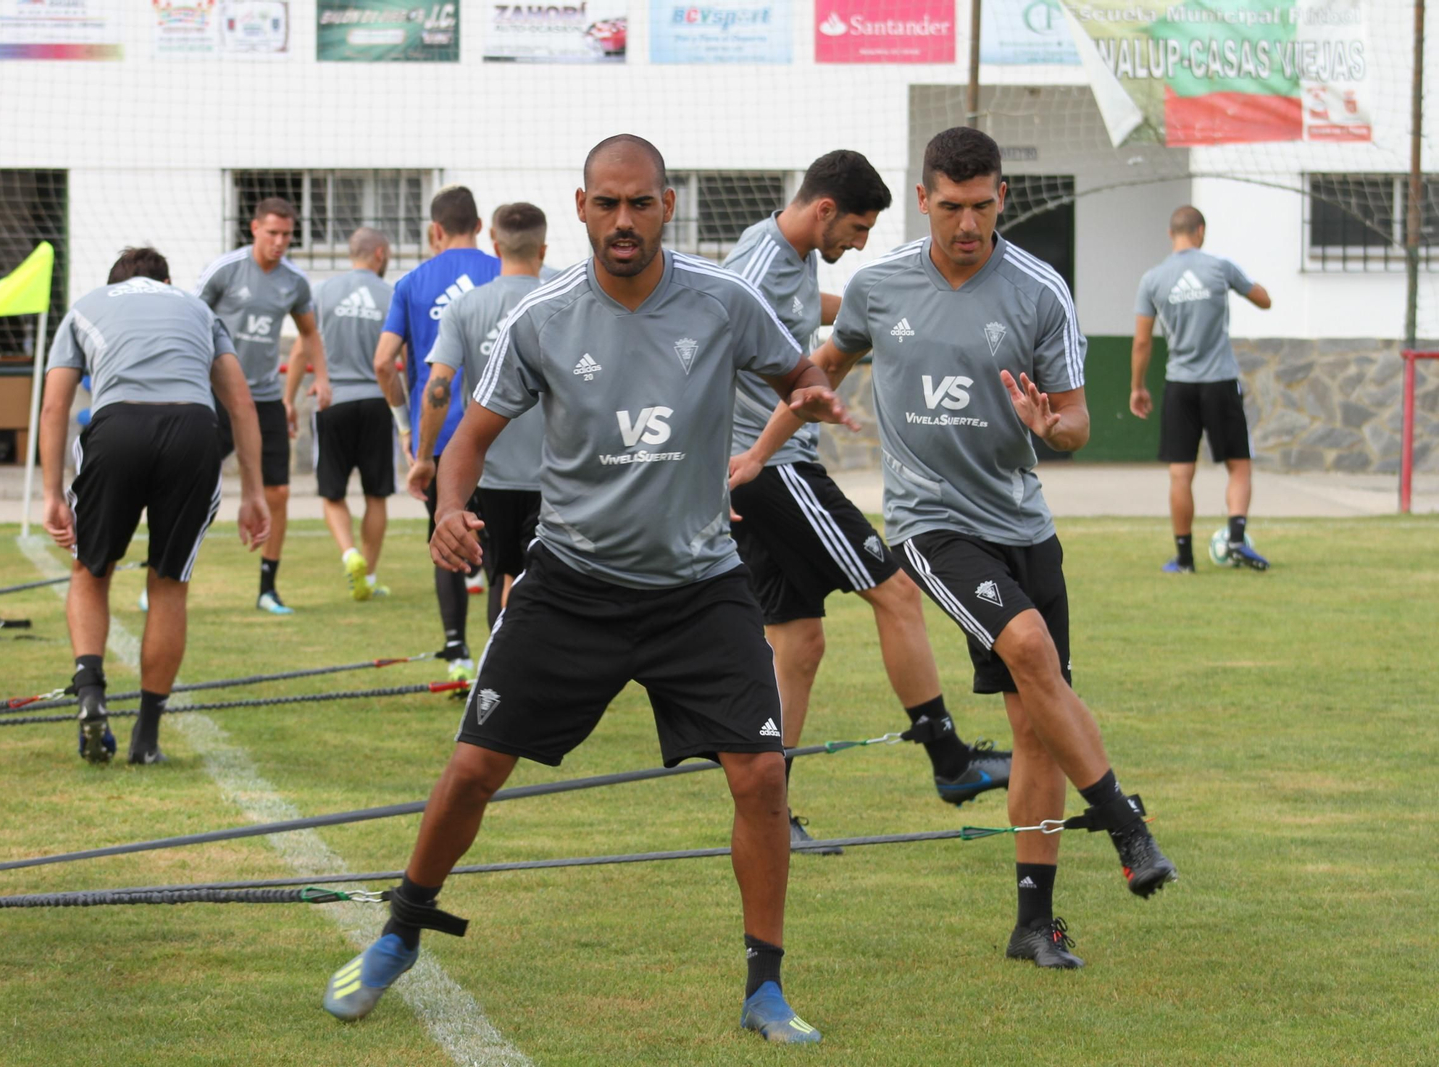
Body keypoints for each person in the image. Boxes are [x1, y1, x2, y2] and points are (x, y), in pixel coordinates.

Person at [323, 135, 856, 1044]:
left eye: (639, 204)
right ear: (580, 208)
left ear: (667, 206)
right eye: (606, 204)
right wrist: (450, 506)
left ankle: (765, 986)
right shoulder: (540, 316)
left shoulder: (724, 300)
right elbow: (469, 436)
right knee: (474, 765)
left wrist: (808, 393)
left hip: (699, 585)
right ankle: (401, 929)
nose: (622, 221)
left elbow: (797, 367)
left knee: (763, 775)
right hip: (571, 581)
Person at [746, 127, 1177, 971]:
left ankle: (1034, 923)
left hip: (1023, 523)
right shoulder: (880, 285)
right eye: (951, 208)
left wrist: (1057, 428)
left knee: (1034, 724)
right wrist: (756, 457)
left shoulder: (1040, 293)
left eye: (982, 207)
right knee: (1027, 647)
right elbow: (814, 374)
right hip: (930, 523)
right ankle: (1125, 821)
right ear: (924, 200)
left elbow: (1078, 420)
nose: (967, 224)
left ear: (1003, 198)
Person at [725, 151, 1012, 858]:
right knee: (898, 592)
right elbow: (692, 357)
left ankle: (772, 811)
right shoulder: (758, 267)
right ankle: (950, 760)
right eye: (855, 229)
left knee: (798, 642)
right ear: (825, 210)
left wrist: (885, 310)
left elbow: (809, 316)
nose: (858, 244)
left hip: (766, 469)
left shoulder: (791, 260)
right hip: (769, 470)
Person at [40, 247, 269, 765]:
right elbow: (241, 404)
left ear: (112, 282)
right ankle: (147, 738)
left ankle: (91, 692)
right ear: (166, 280)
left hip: (117, 426)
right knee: (168, 584)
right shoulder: (196, 308)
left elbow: (56, 405)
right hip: (192, 428)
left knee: (90, 572)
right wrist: (253, 493)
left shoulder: (85, 305)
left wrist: (52, 494)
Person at [374, 186, 501, 676]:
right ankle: (499, 661)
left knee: (446, 538)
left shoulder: (412, 282)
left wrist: (407, 428)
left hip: (444, 437)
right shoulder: (505, 273)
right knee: (502, 552)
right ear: (480, 225)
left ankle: (456, 653)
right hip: (505, 435)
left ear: (435, 231)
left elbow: (384, 362)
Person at [410, 202, 549, 627]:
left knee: (504, 577)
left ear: (494, 243)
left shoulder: (465, 308)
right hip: (556, 473)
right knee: (541, 584)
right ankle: (521, 682)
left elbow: (438, 387)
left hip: (493, 476)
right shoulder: (564, 296)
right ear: (542, 250)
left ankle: (499, 682)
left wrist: (424, 457)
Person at [196, 197, 323, 614]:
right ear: (254, 229)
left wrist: (319, 378)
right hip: (216, 396)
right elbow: (191, 320)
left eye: (287, 235)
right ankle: (164, 571)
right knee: (190, 486)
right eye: (272, 233)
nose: (280, 242)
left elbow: (309, 333)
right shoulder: (225, 271)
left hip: (265, 399)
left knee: (279, 491)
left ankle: (268, 587)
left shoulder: (294, 282)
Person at [1131, 205, 1273, 573]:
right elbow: (1264, 300)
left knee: (1181, 474)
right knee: (1238, 466)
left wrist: (1137, 387)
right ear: (1201, 231)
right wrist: (1244, 287)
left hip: (1179, 385)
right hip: (1220, 381)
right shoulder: (1219, 267)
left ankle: (1184, 558)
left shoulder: (1153, 278)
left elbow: (1143, 343)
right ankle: (1237, 539)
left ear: (1170, 234)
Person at [285, 227, 396, 600]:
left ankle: (350, 555)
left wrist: (290, 399)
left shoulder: (322, 292)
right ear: (379, 254)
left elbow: (302, 349)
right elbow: (404, 357)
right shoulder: (391, 295)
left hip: (332, 402)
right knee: (376, 495)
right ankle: (370, 572)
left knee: (332, 493)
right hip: (378, 402)